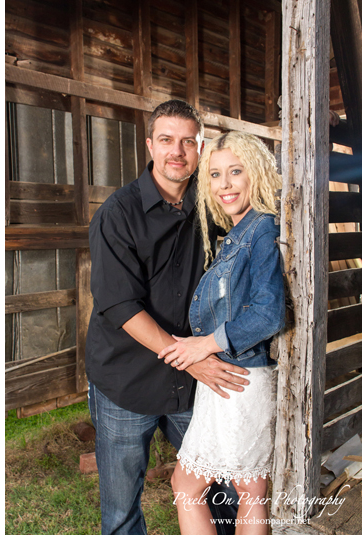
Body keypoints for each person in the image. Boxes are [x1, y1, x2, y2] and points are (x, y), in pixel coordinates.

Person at [87, 99, 246, 535]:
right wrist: (190, 358)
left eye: (188, 142)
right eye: (166, 140)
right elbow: (120, 305)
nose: (177, 151)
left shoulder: (214, 208)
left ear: (199, 150)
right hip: (127, 378)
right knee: (121, 510)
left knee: (224, 495)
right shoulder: (117, 214)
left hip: (193, 384)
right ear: (150, 146)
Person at [160, 131, 285, 535]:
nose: (225, 184)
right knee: (241, 487)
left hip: (239, 379)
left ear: (257, 174)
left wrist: (203, 346)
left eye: (236, 171)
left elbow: (269, 313)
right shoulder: (238, 233)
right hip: (233, 379)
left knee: (207, 485)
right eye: (215, 174)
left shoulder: (261, 229)